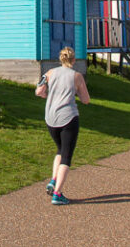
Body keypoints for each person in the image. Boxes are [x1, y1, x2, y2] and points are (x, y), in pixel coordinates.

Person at [35, 46, 90, 205]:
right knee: (66, 155)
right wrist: (76, 94)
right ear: (73, 60)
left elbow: (39, 91)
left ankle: (53, 180)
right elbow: (86, 99)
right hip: (68, 118)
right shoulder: (77, 76)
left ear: (61, 59)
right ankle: (57, 194)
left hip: (50, 118)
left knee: (60, 149)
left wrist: (48, 95)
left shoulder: (49, 73)